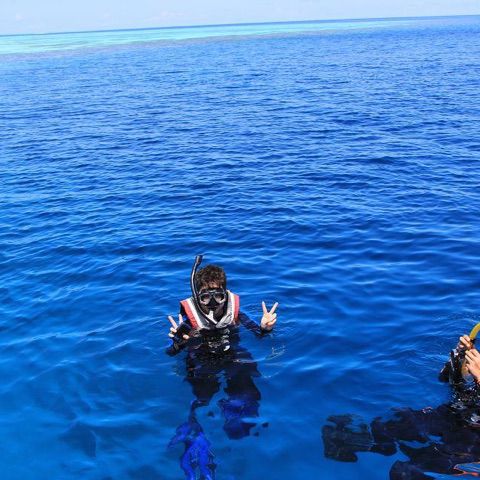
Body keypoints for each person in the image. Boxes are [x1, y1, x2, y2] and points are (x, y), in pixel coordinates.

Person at [166, 256, 279, 480]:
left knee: (248, 387)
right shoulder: (187, 322)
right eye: (205, 297)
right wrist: (178, 344)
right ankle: (194, 432)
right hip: (201, 359)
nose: (212, 303)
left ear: (225, 294)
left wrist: (265, 328)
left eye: (218, 296)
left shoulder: (235, 313)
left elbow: (258, 333)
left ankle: (237, 412)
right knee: (202, 396)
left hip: (232, 356)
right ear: (197, 297)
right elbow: (171, 352)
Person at [322, 326, 480, 480]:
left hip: (471, 441)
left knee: (405, 473)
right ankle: (380, 447)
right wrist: (459, 357)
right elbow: (448, 381)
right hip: (454, 415)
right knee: (392, 420)